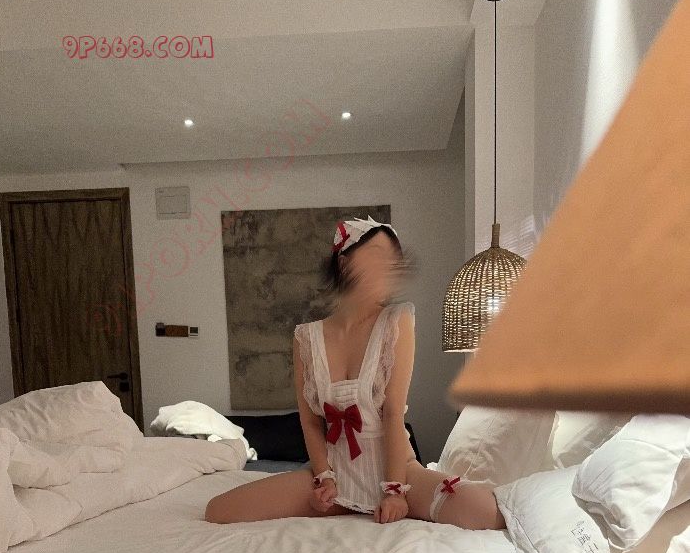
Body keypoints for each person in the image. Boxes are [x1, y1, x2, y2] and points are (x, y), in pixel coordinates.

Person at [204, 216, 505, 529]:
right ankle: (338, 501)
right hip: (334, 475)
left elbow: (392, 414)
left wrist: (394, 492)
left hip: (398, 473)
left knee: (485, 511)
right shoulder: (306, 337)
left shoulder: (396, 321)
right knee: (219, 510)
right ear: (345, 264)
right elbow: (310, 421)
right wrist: (323, 478)